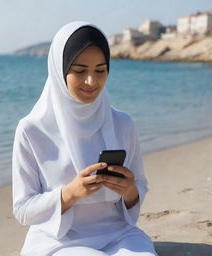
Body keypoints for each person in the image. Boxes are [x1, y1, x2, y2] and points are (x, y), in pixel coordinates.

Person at [12, 21, 158, 256]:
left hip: (120, 235)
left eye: (100, 70)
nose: (92, 81)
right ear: (60, 71)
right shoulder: (31, 130)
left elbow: (139, 187)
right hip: (58, 241)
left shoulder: (123, 124)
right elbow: (22, 209)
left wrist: (129, 190)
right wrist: (69, 194)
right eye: (80, 71)